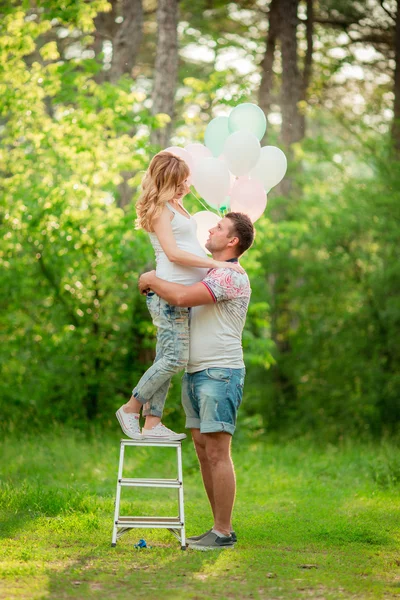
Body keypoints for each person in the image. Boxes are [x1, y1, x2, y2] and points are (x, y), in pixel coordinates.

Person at [139, 212, 254, 551]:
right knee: (204, 453)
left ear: (232, 241)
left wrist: (150, 277)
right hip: (195, 371)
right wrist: (160, 279)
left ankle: (224, 531)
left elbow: (182, 298)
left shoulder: (231, 276)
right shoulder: (209, 271)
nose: (211, 228)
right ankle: (217, 528)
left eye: (219, 227)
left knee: (218, 452)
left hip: (221, 371)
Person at [116, 151, 243, 442]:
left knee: (167, 357)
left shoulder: (176, 205)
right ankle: (130, 408)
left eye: (187, 180)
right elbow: (172, 253)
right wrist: (216, 263)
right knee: (174, 359)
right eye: (180, 182)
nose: (187, 186)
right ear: (165, 182)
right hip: (170, 294)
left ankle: (153, 422)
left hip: (178, 293)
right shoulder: (161, 208)